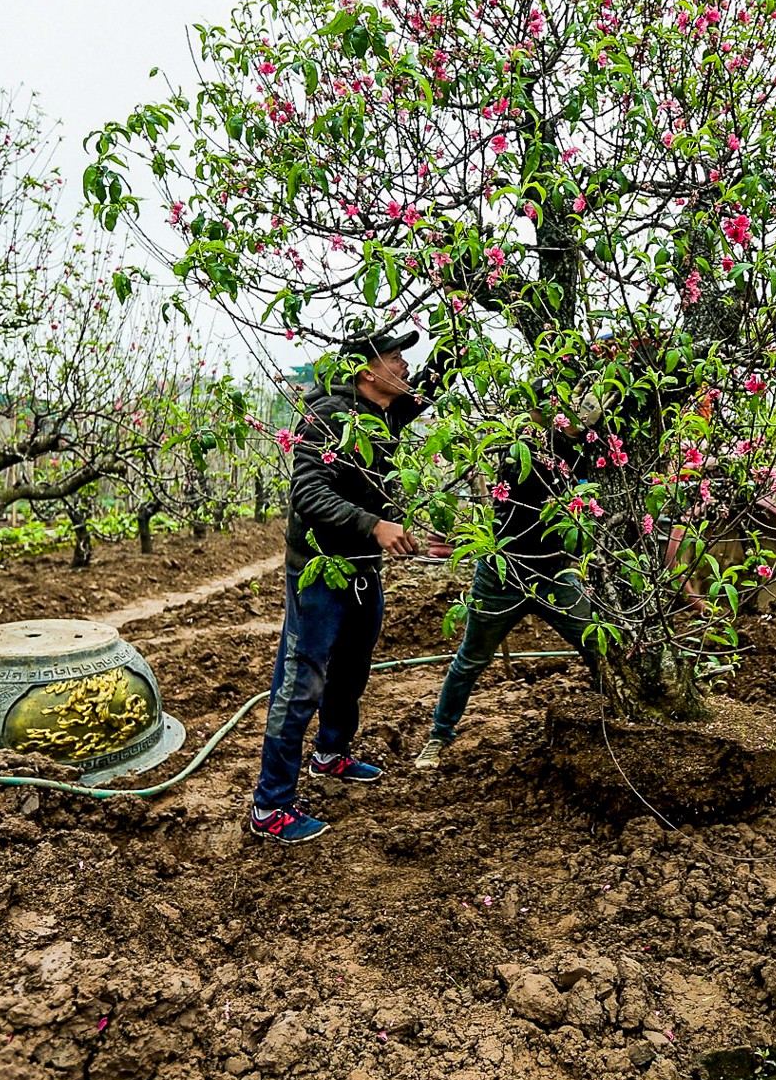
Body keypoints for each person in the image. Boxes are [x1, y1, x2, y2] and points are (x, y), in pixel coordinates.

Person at [248, 327, 450, 844]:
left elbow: (436, 377)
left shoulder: (385, 412)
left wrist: (460, 305)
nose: (406, 366)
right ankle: (270, 807)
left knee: (353, 665)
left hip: (362, 566)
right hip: (319, 571)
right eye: (395, 358)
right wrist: (374, 525)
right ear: (367, 371)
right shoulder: (325, 418)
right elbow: (308, 495)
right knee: (302, 682)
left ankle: (330, 753)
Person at [414, 380, 600, 769]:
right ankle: (439, 735)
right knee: (470, 660)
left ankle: (613, 713)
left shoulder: (576, 449)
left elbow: (585, 489)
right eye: (553, 408)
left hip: (554, 571)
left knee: (597, 643)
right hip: (503, 573)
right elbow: (548, 482)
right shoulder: (521, 451)